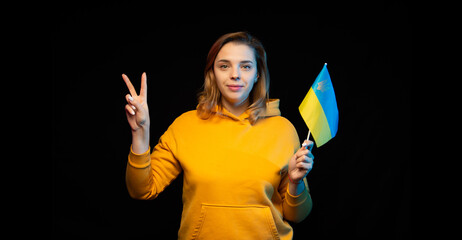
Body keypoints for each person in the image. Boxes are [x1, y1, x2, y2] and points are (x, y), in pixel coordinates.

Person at [123, 32, 314, 240]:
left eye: (246, 66)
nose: (235, 74)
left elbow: (298, 215)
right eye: (224, 66)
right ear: (212, 72)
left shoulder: (283, 130)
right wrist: (140, 132)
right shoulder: (185, 125)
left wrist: (296, 183)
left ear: (258, 74)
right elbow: (141, 190)